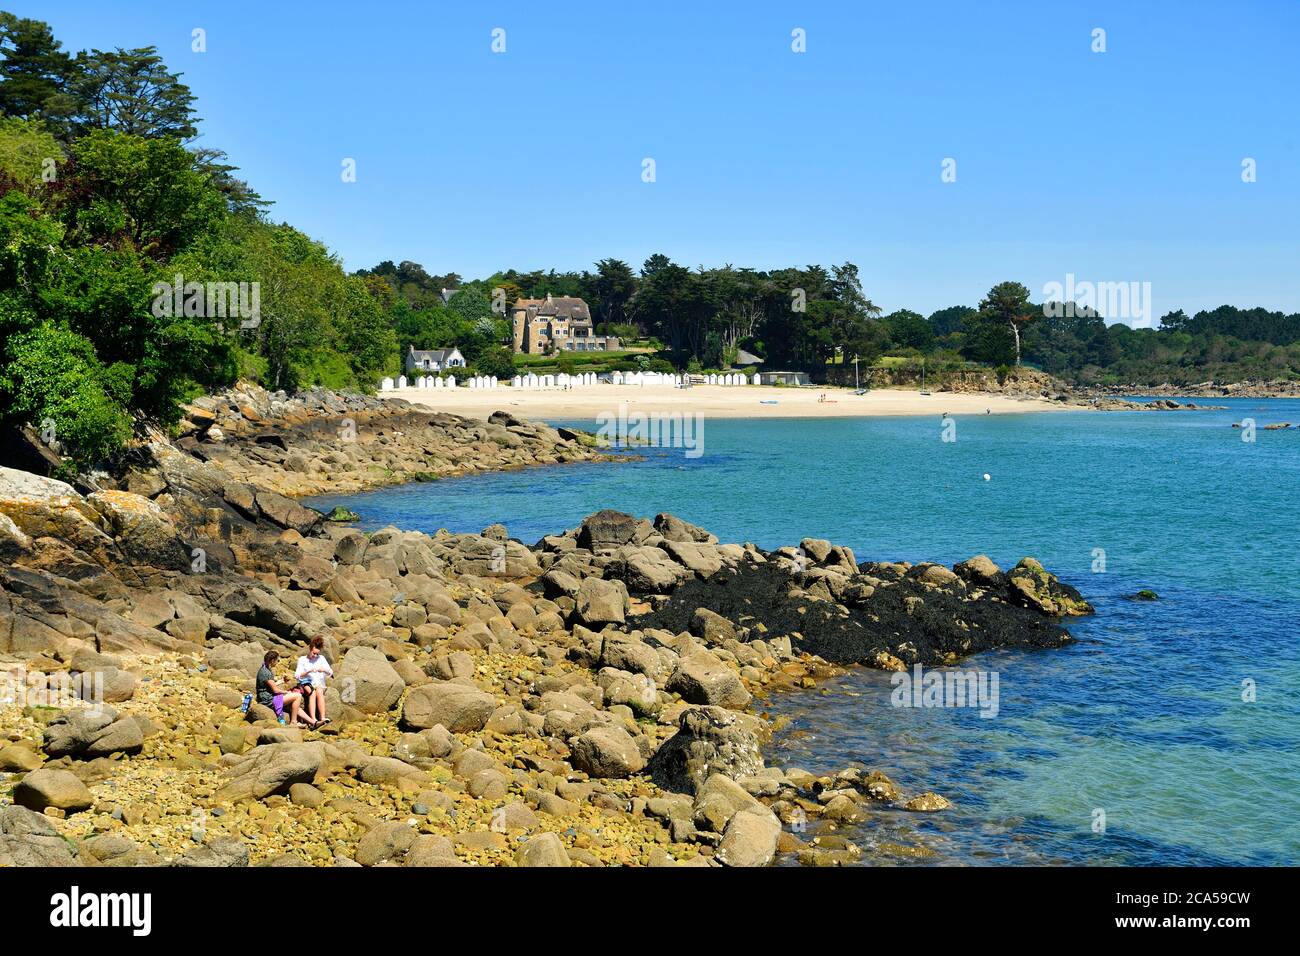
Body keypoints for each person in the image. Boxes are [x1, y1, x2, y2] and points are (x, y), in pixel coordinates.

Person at [256, 651, 314, 727]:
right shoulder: (266, 672)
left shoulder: (264, 668)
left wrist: (281, 681)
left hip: (266, 697)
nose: (277, 662)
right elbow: (275, 690)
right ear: (272, 661)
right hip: (268, 700)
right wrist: (286, 692)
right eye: (277, 660)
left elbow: (268, 686)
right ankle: (294, 722)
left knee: (294, 706)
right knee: (297, 696)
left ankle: (313, 722)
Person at [295, 637, 334, 726]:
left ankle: (322, 717)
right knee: (312, 692)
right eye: (314, 653)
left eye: (317, 654)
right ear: (310, 649)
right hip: (307, 683)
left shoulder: (321, 658)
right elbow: (297, 675)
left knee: (319, 690)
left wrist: (322, 669)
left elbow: (330, 672)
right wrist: (307, 672)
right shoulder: (302, 659)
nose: (315, 656)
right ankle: (313, 719)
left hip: (319, 684)